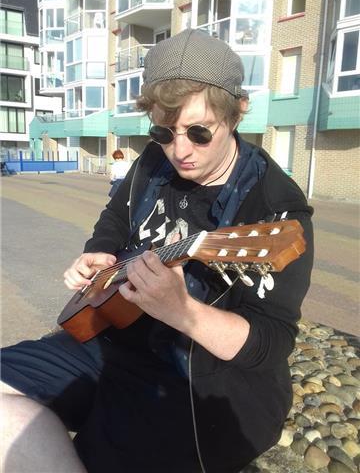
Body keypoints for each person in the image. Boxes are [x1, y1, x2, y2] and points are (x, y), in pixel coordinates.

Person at [1, 29, 314, 473]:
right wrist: (99, 255)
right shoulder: (153, 160)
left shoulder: (273, 208)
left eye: (199, 132)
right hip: (112, 337)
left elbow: (272, 342)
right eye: (163, 131)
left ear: (238, 113)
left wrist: (182, 311)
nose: (179, 150)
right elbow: (115, 217)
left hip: (196, 379)